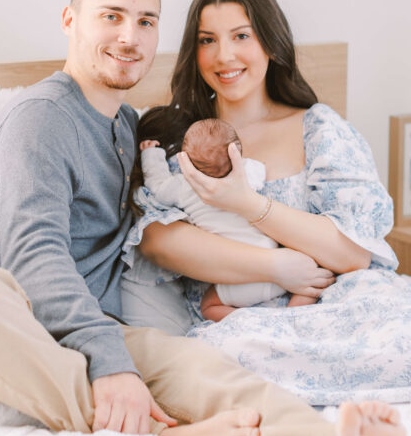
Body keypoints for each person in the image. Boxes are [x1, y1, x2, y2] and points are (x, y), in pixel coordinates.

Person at [0, 0, 411, 436]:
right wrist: (109, 363)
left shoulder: (134, 131)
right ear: (70, 21)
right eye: (111, 16)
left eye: (146, 21)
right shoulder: (40, 118)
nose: (129, 36)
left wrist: (116, 352)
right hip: (12, 333)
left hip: (95, 332)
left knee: (216, 374)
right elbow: (35, 257)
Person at [137, 115, 335, 321]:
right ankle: (291, 316)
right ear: (235, 154)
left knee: (209, 305)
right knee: (311, 280)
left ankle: (256, 323)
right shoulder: (247, 173)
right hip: (281, 267)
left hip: (236, 278)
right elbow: (260, 172)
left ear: (184, 160)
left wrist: (151, 154)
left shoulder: (183, 186)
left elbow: (157, 185)